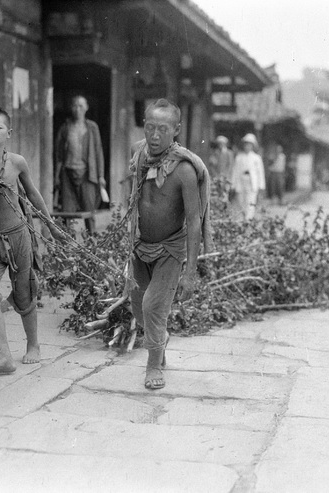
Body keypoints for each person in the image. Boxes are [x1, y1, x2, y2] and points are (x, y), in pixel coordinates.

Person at [0, 106, 65, 375]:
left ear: (9, 133)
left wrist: (51, 227)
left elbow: (34, 194)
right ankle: (4, 356)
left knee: (24, 293)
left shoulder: (17, 162)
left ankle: (33, 345)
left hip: (19, 236)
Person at [128, 99, 213, 390]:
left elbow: (194, 220)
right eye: (149, 127)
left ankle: (153, 366)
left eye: (162, 129)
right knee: (138, 307)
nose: (153, 135)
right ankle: (159, 342)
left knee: (153, 306)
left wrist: (190, 272)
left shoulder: (185, 171)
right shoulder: (139, 155)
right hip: (141, 245)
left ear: (176, 131)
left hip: (170, 248)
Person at [54, 95, 106, 234]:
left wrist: (101, 175)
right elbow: (59, 155)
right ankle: (65, 248)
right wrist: (57, 177)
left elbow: (98, 152)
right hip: (68, 173)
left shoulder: (92, 127)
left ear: (86, 108)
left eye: (81, 106)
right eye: (75, 106)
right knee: (66, 212)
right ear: (71, 108)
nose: (77, 109)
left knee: (89, 211)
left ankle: (92, 245)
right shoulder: (65, 127)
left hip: (87, 174)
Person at [230, 133, 266, 219]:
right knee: (241, 202)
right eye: (246, 144)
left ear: (253, 146)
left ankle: (248, 220)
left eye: (249, 145)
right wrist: (233, 184)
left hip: (252, 182)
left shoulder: (256, 158)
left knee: (250, 202)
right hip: (241, 182)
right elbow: (235, 171)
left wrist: (261, 185)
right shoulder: (239, 157)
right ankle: (244, 219)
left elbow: (260, 172)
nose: (247, 147)